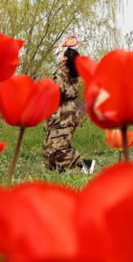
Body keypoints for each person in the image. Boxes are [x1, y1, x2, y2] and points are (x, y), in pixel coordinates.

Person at [42, 46, 97, 174]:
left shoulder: (63, 73)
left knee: (53, 152)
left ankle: (85, 163)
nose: (59, 56)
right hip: (63, 117)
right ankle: (58, 173)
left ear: (65, 59)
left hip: (63, 119)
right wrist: (63, 52)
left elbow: (57, 90)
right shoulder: (69, 73)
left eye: (62, 55)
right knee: (49, 150)